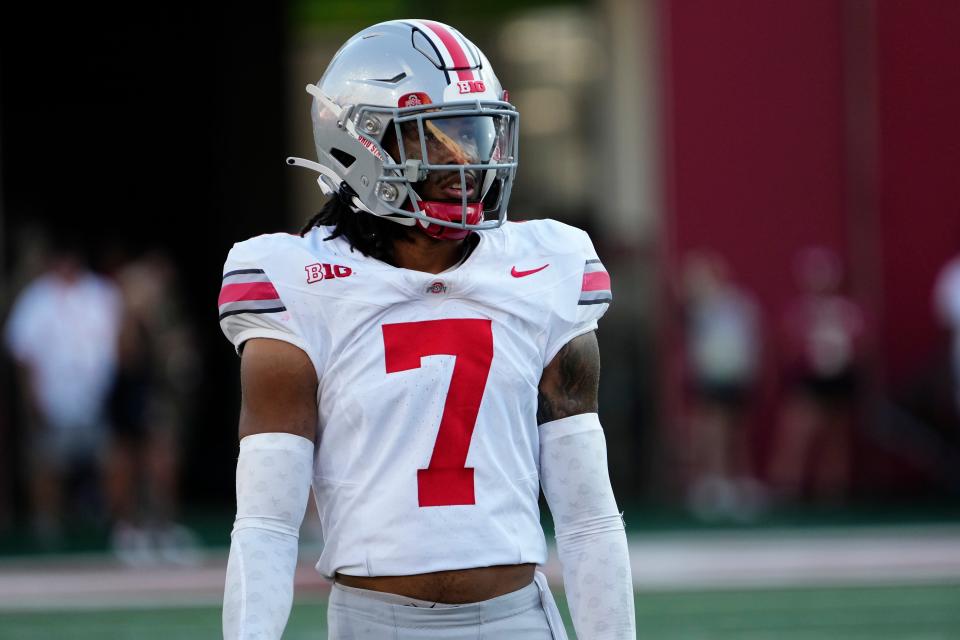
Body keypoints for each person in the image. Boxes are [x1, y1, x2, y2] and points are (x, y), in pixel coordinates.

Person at [219, 20, 635, 640]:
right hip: (374, 623)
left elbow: (588, 517)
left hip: (514, 619)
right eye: (435, 137)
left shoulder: (548, 265)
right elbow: (267, 524)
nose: (467, 160)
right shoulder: (297, 281)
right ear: (360, 142)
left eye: (476, 132)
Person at [4, 237, 122, 544]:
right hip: (52, 399)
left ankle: (110, 525)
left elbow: (122, 340)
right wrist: (32, 397)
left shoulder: (101, 294)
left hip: (98, 398)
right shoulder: (36, 298)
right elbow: (22, 352)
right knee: (46, 465)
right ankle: (48, 528)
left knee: (111, 460)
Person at [680, 252, 763, 521]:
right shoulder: (698, 310)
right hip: (711, 380)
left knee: (733, 432)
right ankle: (714, 484)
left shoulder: (736, 305)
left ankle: (737, 483)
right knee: (711, 432)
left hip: (733, 378)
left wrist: (748, 370)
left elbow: (747, 341)